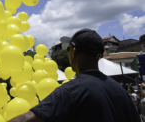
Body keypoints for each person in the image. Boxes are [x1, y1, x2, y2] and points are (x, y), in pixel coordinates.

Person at [8, 28, 141, 122]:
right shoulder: (119, 90)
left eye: (68, 49)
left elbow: (26, 120)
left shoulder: (71, 91)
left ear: (75, 52)